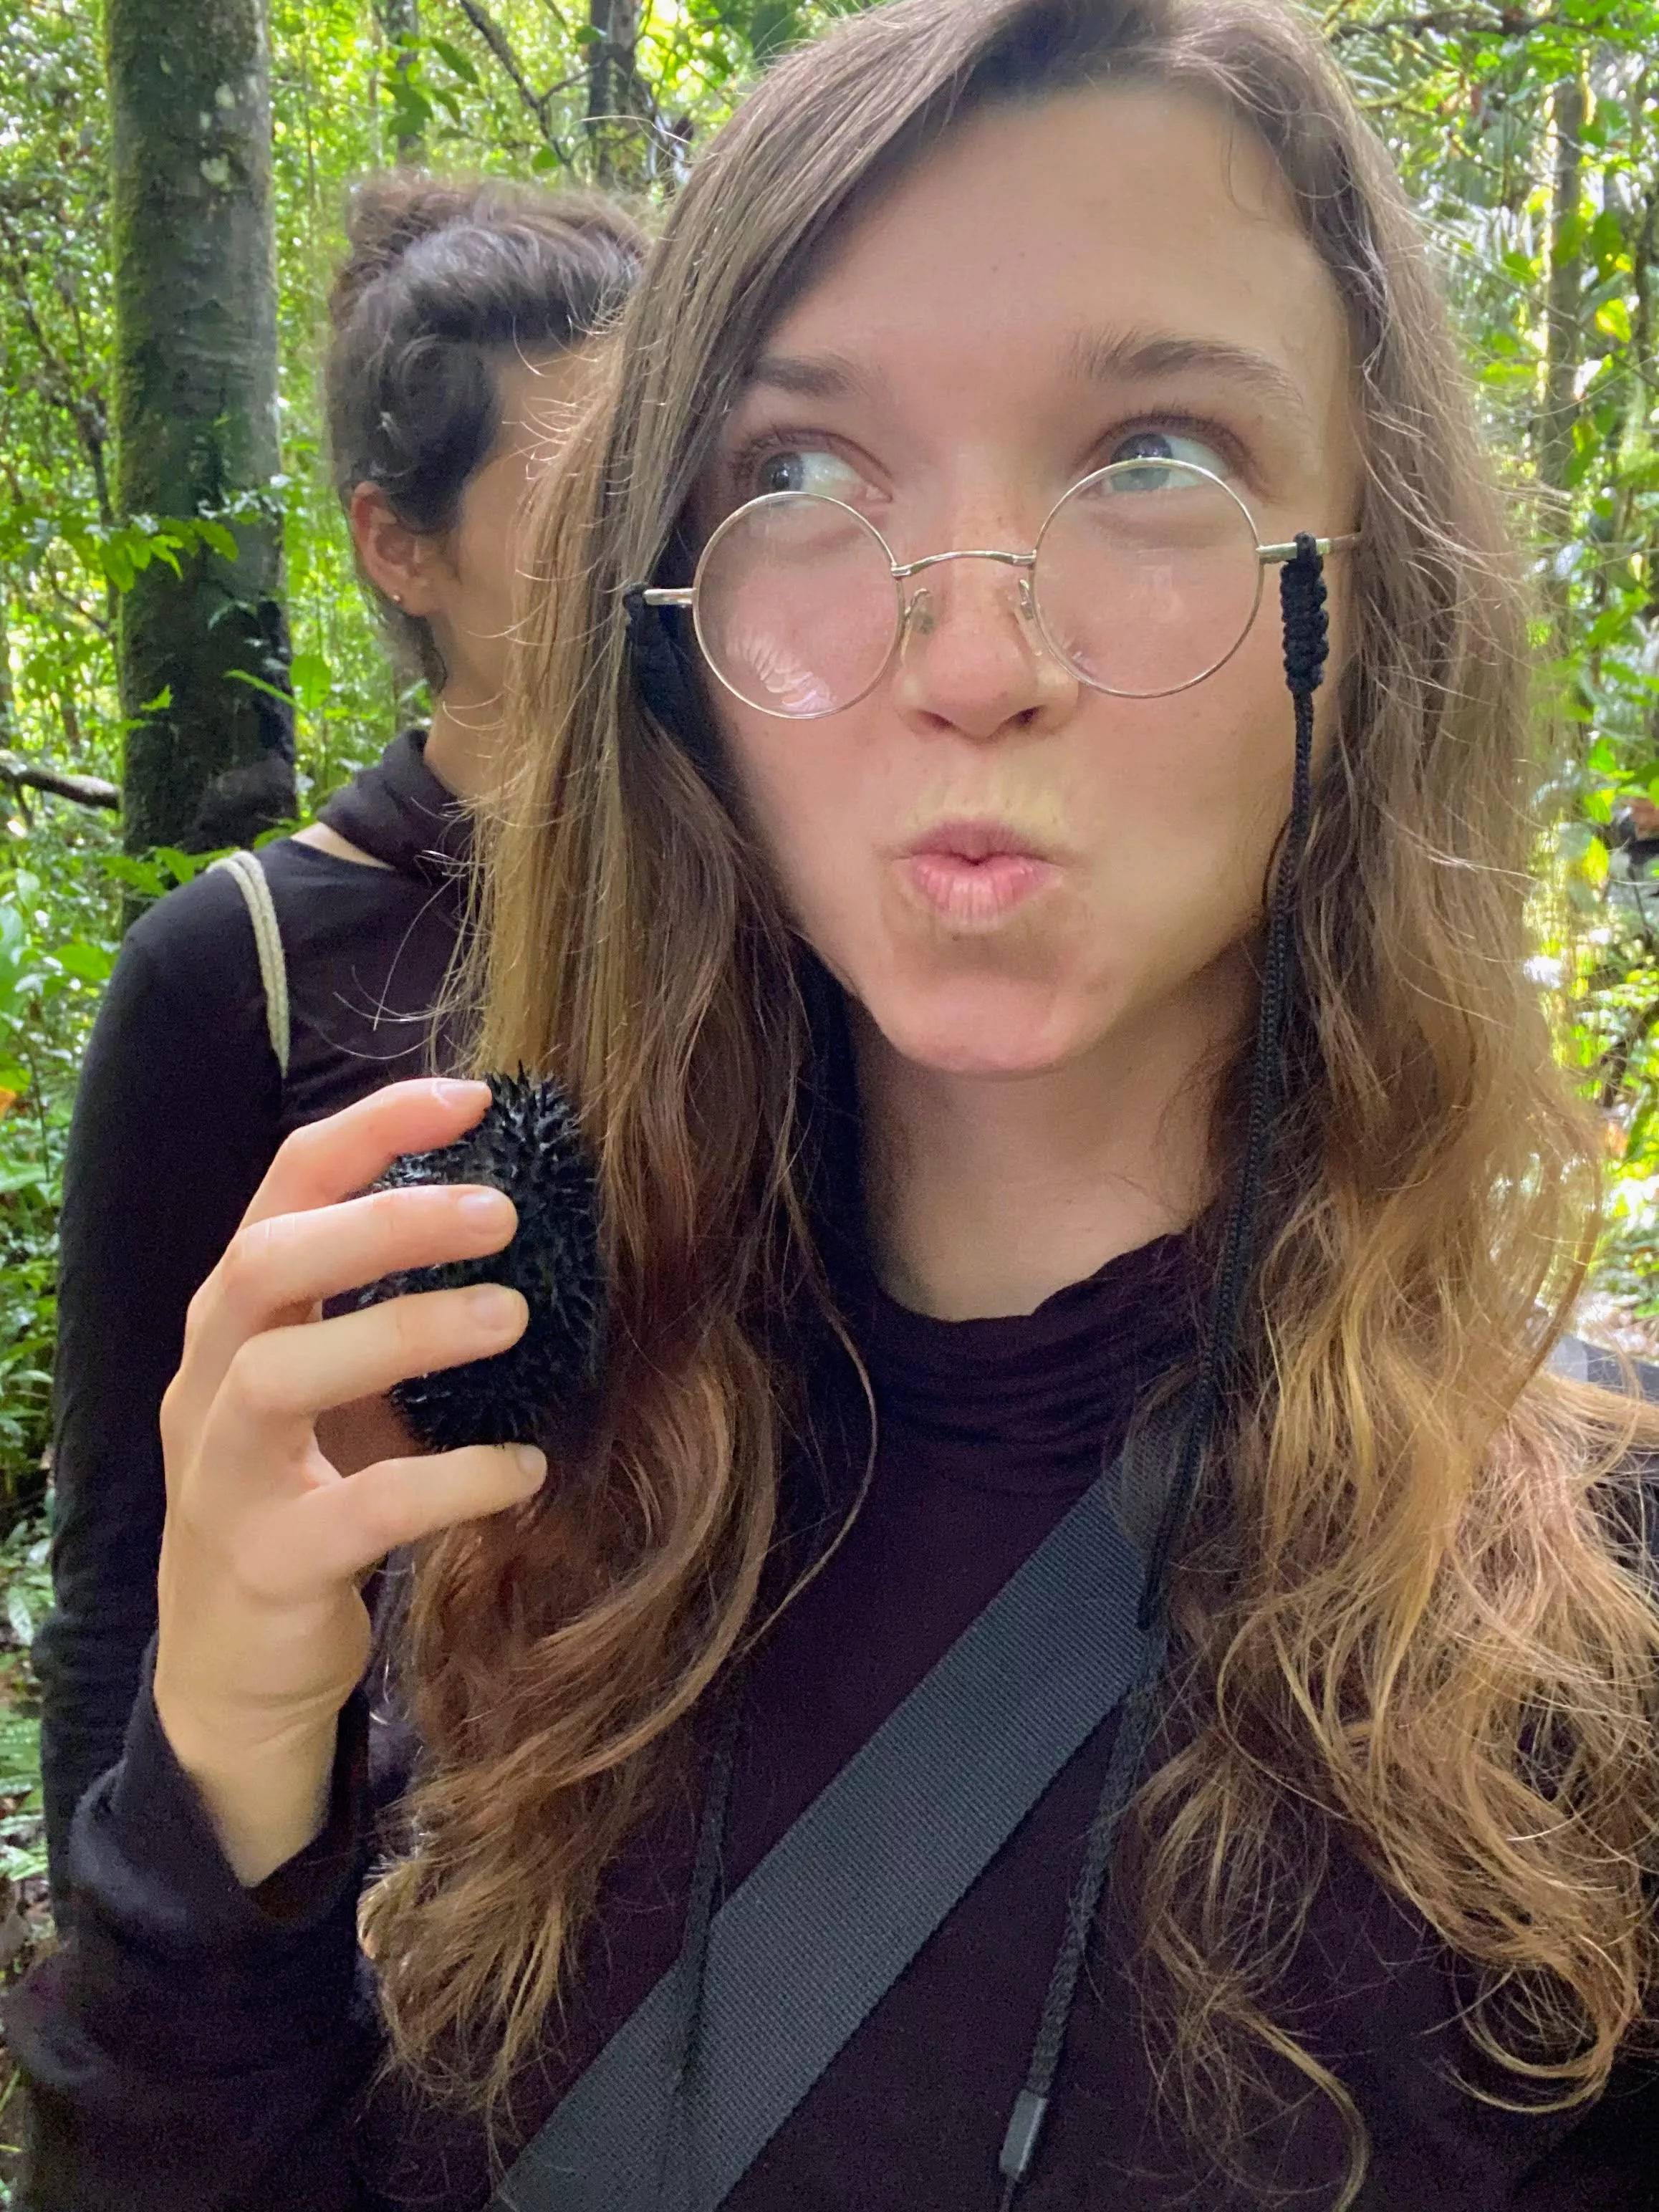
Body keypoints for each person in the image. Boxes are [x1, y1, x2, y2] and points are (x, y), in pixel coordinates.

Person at [11, 1, 1659, 2208]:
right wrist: (217, 1763)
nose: (969, 656)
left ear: (1374, 602)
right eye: (796, 477)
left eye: (1150, 450)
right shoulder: (504, 1500)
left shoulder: (1600, 1642)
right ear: (669, 640)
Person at [30, 175, 644, 1906]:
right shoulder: (231, 973)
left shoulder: (795, 920)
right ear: (403, 545)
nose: (660, 547)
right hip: (390, 1917)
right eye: (589, 495)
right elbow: (127, 1580)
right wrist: (146, 2029)